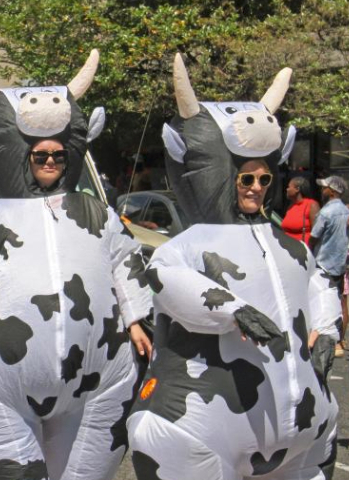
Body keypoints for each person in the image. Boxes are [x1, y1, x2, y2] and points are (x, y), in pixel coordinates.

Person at [0, 45, 151, 479]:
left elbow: (125, 261)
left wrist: (137, 318)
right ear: (26, 158)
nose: (50, 162)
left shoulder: (96, 212)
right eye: (40, 156)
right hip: (4, 374)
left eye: (57, 156)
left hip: (93, 373)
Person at [128, 54, 338, 480]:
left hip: (302, 421)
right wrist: (232, 309)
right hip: (203, 421)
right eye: (246, 179)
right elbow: (168, 280)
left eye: (264, 179)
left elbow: (317, 281)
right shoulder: (185, 246)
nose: (256, 189)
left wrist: (327, 327)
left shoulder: (287, 245)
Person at [311, 175, 349, 357]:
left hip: (323, 263)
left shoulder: (326, 212)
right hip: (340, 265)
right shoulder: (345, 211)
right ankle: (339, 342)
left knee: (322, 303)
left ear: (332, 192)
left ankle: (321, 341)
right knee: (341, 303)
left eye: (324, 187)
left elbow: (314, 236)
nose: (322, 190)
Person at [281, 175, 320, 244]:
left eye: (289, 187)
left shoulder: (311, 205)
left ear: (297, 189)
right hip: (287, 246)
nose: (287, 189)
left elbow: (316, 232)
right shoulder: (291, 206)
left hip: (302, 247)